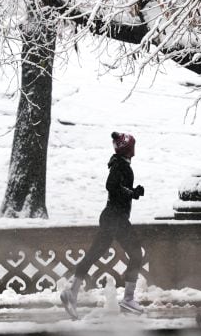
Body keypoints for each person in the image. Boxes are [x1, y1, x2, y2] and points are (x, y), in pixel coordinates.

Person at [61, 132, 147, 318]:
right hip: (116, 219)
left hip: (110, 217)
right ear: (128, 148)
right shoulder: (120, 166)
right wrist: (131, 193)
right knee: (136, 254)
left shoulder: (118, 164)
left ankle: (72, 292)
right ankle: (128, 300)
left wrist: (132, 192)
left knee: (93, 255)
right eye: (132, 145)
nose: (134, 148)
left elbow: (116, 189)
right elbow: (111, 186)